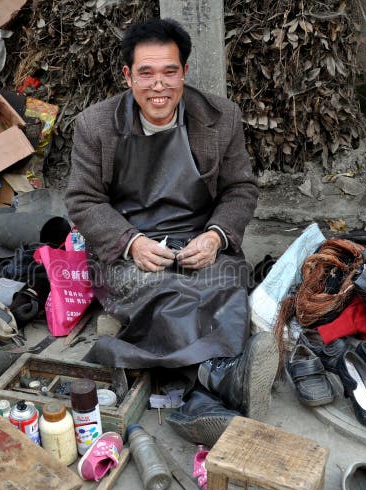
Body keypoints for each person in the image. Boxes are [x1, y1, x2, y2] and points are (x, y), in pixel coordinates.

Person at [65, 18, 278, 445]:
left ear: (184, 72)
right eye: (145, 73)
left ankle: (199, 395)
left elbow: (240, 188)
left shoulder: (219, 117)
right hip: (130, 247)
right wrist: (131, 242)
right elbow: (83, 201)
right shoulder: (95, 125)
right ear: (127, 76)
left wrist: (217, 235)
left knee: (226, 288)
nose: (158, 86)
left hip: (198, 236)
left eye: (169, 72)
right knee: (164, 293)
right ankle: (213, 381)